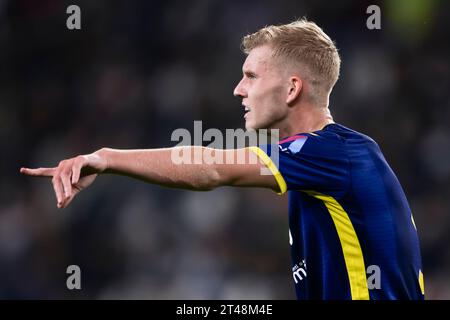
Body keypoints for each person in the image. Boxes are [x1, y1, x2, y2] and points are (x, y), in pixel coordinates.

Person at [20, 19, 424, 300]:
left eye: (250, 76)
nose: (237, 90)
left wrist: (107, 158)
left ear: (291, 88)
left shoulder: (334, 152)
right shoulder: (319, 165)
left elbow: (210, 167)